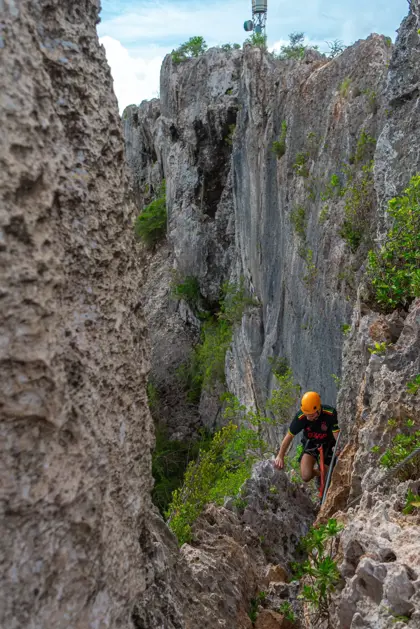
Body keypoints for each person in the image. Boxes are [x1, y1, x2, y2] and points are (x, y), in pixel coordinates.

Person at [274, 391, 339, 483]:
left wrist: (338, 448)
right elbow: (289, 436)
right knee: (305, 476)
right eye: (306, 415)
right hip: (312, 443)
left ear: (318, 409)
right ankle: (318, 473)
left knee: (328, 475)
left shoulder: (330, 413)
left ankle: (323, 473)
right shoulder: (301, 417)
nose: (308, 418)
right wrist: (280, 455)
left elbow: (336, 433)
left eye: (311, 415)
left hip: (329, 443)